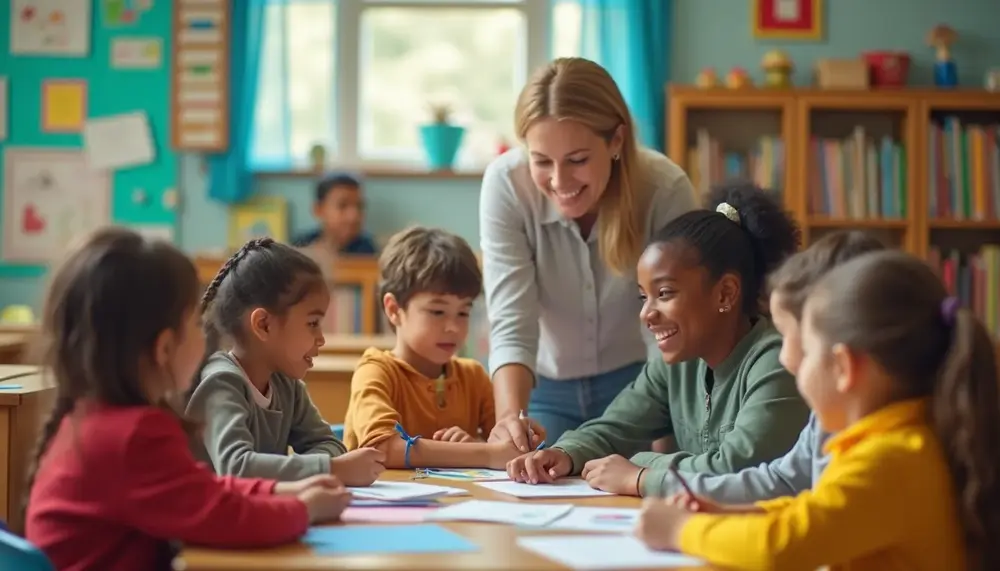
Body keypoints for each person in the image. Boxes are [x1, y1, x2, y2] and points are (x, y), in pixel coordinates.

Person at [636, 251, 1000, 571]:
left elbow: (782, 546)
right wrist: (725, 512)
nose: (790, 363)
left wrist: (679, 529)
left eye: (806, 351)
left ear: (843, 367)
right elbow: (812, 511)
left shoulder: (891, 459)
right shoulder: (891, 444)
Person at [24, 228, 350, 571]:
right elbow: (223, 517)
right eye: (196, 322)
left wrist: (283, 492)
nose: (208, 331)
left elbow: (201, 491)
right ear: (164, 348)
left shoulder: (98, 419)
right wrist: (305, 508)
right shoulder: (133, 435)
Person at [506, 183, 808, 497]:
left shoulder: (776, 363)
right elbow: (613, 428)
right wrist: (565, 453)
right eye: (643, 297)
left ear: (725, 293)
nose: (646, 314)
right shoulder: (677, 364)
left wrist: (641, 471)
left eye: (664, 294)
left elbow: (734, 469)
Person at [481, 57, 698, 450]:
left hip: (639, 385)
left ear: (616, 141)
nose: (560, 181)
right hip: (543, 387)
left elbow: (672, 325)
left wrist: (668, 444)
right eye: (541, 161)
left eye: (578, 160)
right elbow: (513, 322)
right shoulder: (506, 186)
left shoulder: (665, 189)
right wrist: (510, 421)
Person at [644, 230, 887, 500]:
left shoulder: (884, 453)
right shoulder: (826, 422)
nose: (783, 357)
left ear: (842, 365)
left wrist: (685, 526)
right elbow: (780, 481)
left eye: (790, 337)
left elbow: (809, 524)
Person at [187, 237, 385, 484]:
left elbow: (328, 444)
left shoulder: (285, 384)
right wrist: (330, 469)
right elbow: (236, 467)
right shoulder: (221, 383)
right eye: (312, 324)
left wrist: (326, 465)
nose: (321, 339)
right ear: (264, 325)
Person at [344, 227, 522, 469]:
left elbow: (505, 445)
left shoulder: (473, 377)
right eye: (437, 312)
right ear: (394, 310)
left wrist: (486, 441)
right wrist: (485, 454)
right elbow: (382, 448)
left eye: (463, 312)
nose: (453, 327)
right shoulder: (376, 372)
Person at [293, 172, 379, 261]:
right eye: (342, 205)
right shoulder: (302, 246)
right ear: (319, 210)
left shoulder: (367, 249)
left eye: (359, 206)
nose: (353, 215)